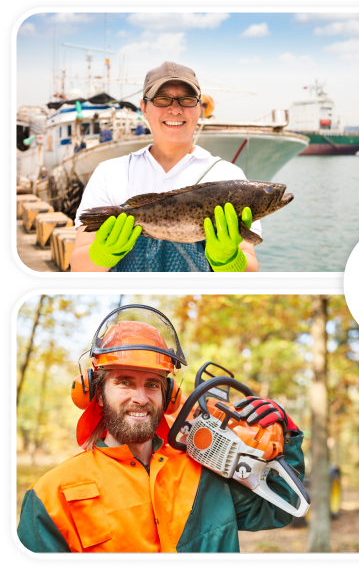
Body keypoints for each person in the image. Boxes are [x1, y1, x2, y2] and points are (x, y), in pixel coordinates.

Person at [17, 305, 303, 552]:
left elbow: (280, 507)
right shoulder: (53, 494)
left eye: (152, 384)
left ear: (169, 395)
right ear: (97, 393)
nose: (140, 398)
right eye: (125, 382)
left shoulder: (202, 470)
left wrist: (285, 433)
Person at [71, 61, 261, 272]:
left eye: (187, 100)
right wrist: (102, 253)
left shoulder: (228, 175)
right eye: (162, 99)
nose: (175, 109)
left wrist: (229, 260)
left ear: (199, 108)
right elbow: (79, 269)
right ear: (144, 107)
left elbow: (250, 269)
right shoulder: (110, 172)